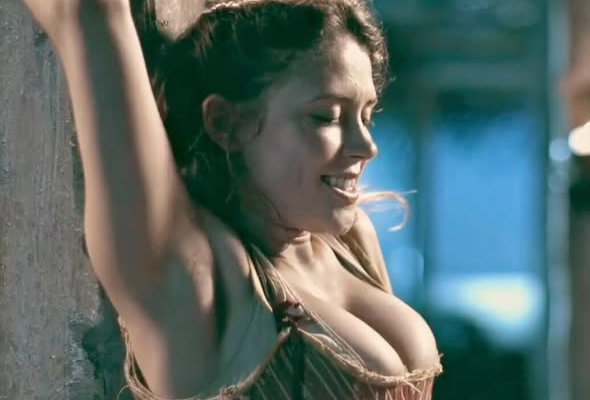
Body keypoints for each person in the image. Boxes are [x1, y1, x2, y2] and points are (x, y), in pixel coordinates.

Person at [20, 0, 442, 398]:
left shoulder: (349, 239)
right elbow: (89, 13)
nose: (367, 147)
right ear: (225, 123)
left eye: (366, 115)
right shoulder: (193, 275)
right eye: (326, 116)